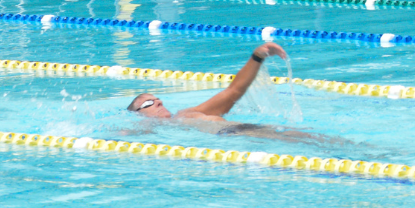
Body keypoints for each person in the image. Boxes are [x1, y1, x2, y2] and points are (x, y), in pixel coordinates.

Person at [125, 42, 329, 143]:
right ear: (138, 114)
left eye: (158, 99)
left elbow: (233, 91)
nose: (159, 102)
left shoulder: (186, 114)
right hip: (237, 136)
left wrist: (257, 56)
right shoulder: (146, 128)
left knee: (319, 138)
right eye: (149, 103)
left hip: (245, 130)